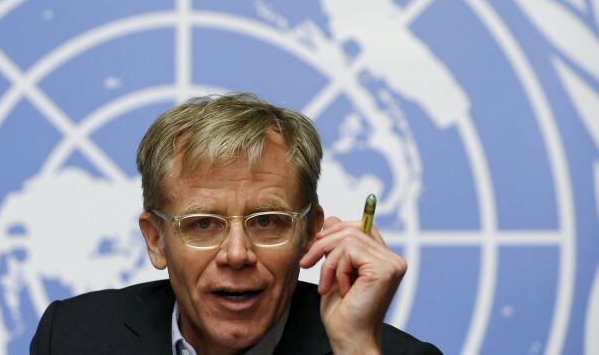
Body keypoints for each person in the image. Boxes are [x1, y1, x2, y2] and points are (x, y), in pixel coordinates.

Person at [30, 93, 441, 354]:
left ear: (309, 232)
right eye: (203, 224)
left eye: (267, 222)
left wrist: (353, 346)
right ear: (156, 240)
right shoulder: (70, 337)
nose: (237, 254)